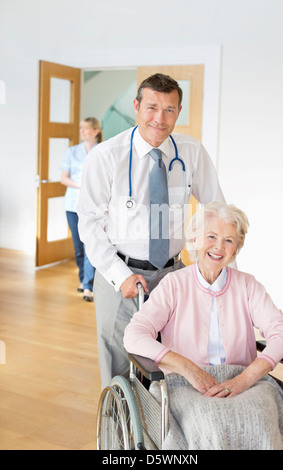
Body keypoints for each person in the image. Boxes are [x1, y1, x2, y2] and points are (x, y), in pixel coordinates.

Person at [77, 74, 226, 389]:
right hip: (119, 273)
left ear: (179, 111)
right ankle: (119, 431)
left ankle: (163, 429)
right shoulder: (105, 156)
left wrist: (219, 270)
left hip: (173, 273)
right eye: (152, 107)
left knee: (174, 358)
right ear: (136, 106)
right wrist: (120, 275)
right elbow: (89, 223)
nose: (160, 118)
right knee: (118, 361)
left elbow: (217, 212)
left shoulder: (191, 151)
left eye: (170, 109)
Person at [124, 201, 283, 450]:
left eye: (229, 240)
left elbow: (282, 332)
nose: (219, 246)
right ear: (195, 239)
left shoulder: (247, 285)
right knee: (209, 423)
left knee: (259, 418)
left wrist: (246, 378)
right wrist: (188, 368)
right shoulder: (174, 284)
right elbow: (134, 335)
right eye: (211, 236)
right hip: (184, 384)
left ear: (236, 248)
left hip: (244, 382)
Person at [61, 117, 102, 302]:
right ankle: (83, 279)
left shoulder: (102, 151)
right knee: (78, 247)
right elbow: (64, 179)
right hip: (72, 205)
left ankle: (88, 286)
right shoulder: (72, 152)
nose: (82, 131)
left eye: (86, 128)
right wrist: (82, 185)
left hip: (94, 206)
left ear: (96, 131)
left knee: (90, 246)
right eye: (81, 128)